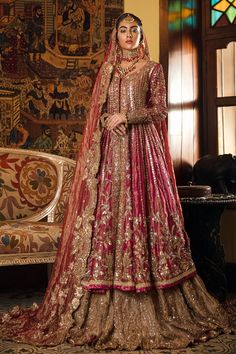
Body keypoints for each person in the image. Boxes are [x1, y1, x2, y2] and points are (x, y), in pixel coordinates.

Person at [0, 13, 231, 350]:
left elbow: (159, 110)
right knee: (108, 213)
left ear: (140, 35)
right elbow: (100, 111)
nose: (127, 35)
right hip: (112, 152)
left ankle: (152, 290)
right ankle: (100, 294)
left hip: (143, 152)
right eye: (122, 30)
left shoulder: (151, 69)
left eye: (133, 30)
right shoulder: (106, 70)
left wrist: (128, 116)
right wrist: (109, 117)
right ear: (115, 35)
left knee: (144, 208)